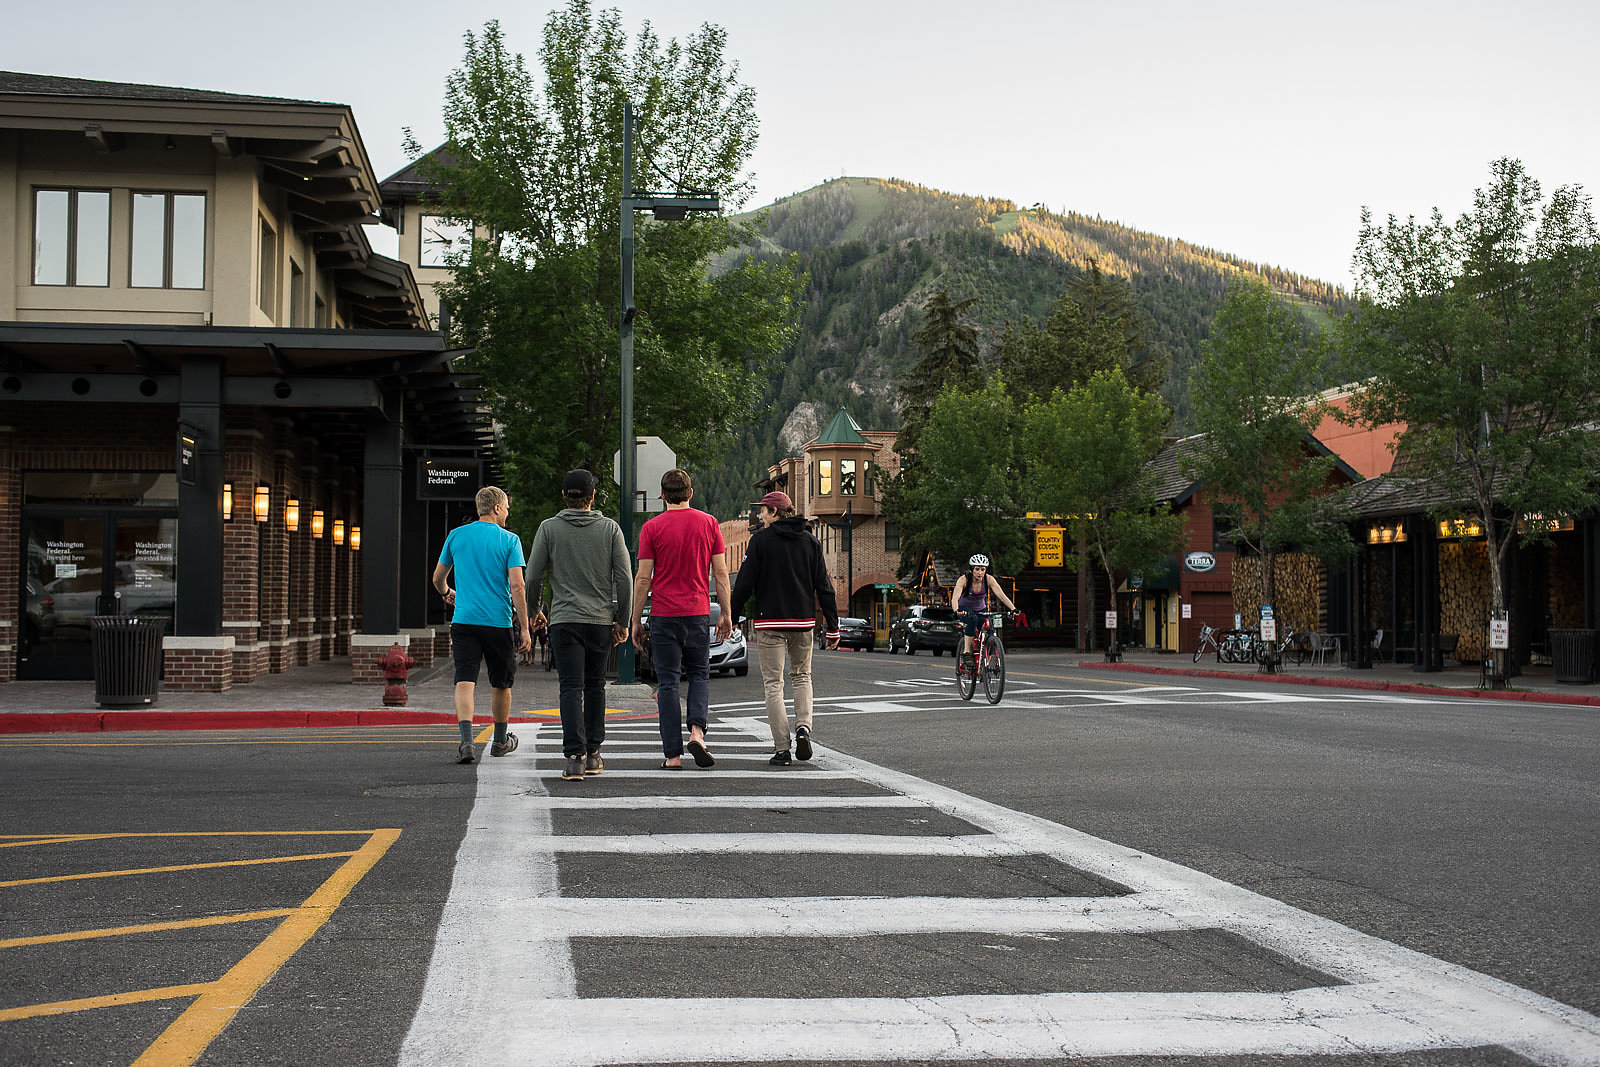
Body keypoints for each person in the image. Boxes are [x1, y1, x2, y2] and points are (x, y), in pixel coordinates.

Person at [527, 470, 632, 782]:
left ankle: (575, 758)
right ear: (593, 497)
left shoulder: (549, 529)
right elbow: (625, 578)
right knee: (595, 685)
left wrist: (534, 609)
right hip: (600, 621)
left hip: (564, 619)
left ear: (564, 496)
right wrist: (622, 620)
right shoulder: (610, 529)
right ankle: (595, 754)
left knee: (570, 687)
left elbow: (532, 576)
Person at [729, 490, 839, 767]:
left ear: (775, 512)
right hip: (802, 622)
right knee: (802, 676)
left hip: (770, 622)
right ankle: (803, 727)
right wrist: (833, 626)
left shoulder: (760, 542)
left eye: (764, 510)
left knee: (773, 685)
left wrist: (732, 616)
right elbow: (824, 587)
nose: (761, 515)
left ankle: (782, 749)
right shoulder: (811, 542)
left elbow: (744, 583)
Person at [630, 469, 730, 769]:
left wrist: (635, 620)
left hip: (663, 614)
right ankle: (698, 733)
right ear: (691, 493)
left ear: (662, 495)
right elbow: (722, 574)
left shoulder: (651, 528)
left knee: (669, 682)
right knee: (700, 674)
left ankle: (673, 755)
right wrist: (725, 612)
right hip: (698, 612)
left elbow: (643, 578)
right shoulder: (709, 523)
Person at [432, 485, 532, 765]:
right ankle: (500, 741)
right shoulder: (510, 540)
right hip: (497, 622)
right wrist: (524, 627)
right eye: (507, 507)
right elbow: (517, 586)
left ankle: (466, 742)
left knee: (465, 681)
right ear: (497, 508)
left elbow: (438, 577)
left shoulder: (456, 536)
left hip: (464, 621)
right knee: (501, 683)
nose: (508, 512)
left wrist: (446, 593)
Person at [952, 553, 1016, 663]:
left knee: (990, 630)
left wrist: (1013, 609)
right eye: (977, 569)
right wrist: (956, 610)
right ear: (972, 569)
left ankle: (985, 663)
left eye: (983, 569)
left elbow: (1001, 595)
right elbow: (955, 597)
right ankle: (966, 651)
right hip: (964, 609)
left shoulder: (988, 579)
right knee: (973, 619)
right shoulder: (963, 580)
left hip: (981, 610)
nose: (980, 572)